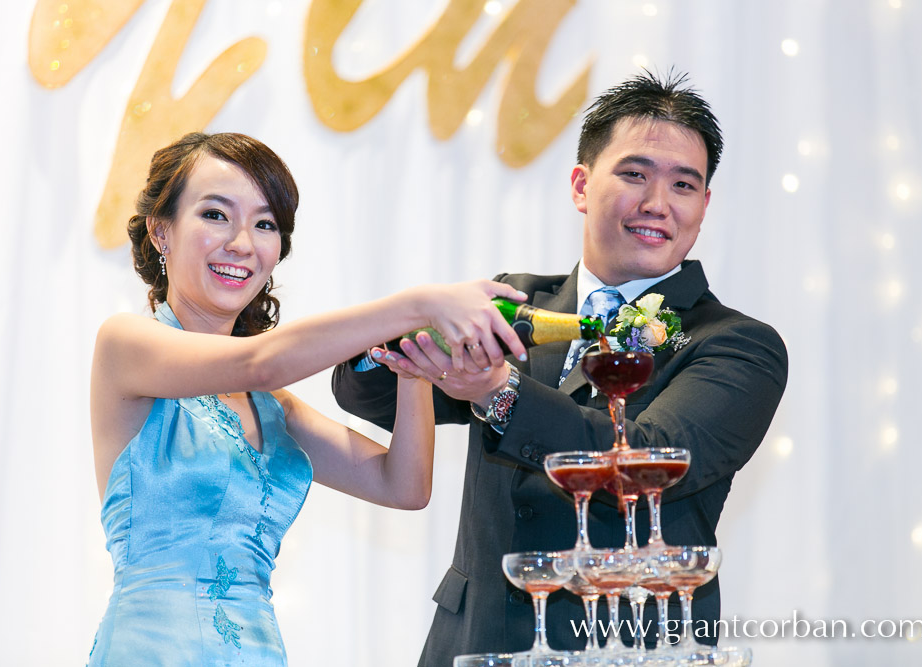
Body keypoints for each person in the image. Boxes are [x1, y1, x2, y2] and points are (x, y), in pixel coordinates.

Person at [332, 71, 789, 663]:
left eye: (683, 184)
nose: (657, 203)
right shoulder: (517, 301)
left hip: (627, 644)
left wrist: (500, 391)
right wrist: (405, 339)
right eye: (634, 174)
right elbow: (366, 395)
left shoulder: (738, 345)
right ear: (580, 184)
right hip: (478, 643)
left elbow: (647, 459)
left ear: (704, 205)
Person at [86, 131, 528, 665]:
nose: (243, 243)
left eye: (265, 223)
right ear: (162, 231)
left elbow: (404, 486)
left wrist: (414, 368)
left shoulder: (271, 404)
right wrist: (417, 306)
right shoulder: (125, 344)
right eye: (215, 215)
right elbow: (262, 358)